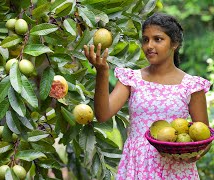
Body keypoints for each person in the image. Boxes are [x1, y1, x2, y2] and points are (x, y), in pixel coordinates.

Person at [83, 13, 211, 179]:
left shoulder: (192, 86)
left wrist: (196, 154)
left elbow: (204, 137)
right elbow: (102, 114)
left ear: (175, 44)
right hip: (138, 165)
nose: (149, 45)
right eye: (145, 39)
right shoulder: (132, 79)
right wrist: (102, 72)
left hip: (176, 170)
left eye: (158, 39)